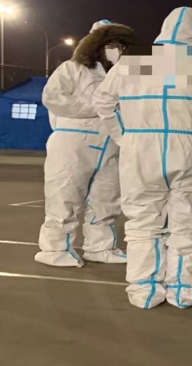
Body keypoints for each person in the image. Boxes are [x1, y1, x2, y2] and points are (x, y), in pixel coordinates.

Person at [93, 7, 192, 309]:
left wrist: (124, 136)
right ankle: (184, 290)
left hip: (141, 153)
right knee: (190, 222)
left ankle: (144, 289)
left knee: (142, 221)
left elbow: (103, 102)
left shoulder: (132, 65)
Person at [35, 20, 136, 268]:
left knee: (107, 199)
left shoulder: (125, 74)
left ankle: (101, 247)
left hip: (110, 143)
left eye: (119, 45)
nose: (116, 49)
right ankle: (54, 249)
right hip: (73, 142)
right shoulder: (72, 69)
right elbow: (52, 98)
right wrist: (97, 108)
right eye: (111, 44)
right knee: (64, 196)